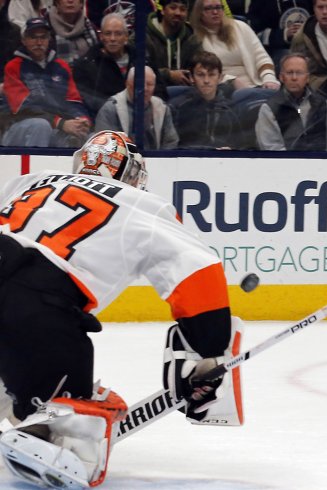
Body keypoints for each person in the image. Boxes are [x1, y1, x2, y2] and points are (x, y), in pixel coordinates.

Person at [0, 130, 243, 487]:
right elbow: (198, 269)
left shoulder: (29, 181)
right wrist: (209, 349)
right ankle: (57, 420)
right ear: (133, 174)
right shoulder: (139, 204)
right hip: (33, 309)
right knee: (77, 426)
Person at [2, 17, 92, 147]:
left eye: (43, 37)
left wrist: (82, 119)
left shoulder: (62, 66)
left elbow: (74, 101)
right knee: (41, 126)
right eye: (33, 37)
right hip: (18, 127)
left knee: (88, 138)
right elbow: (24, 108)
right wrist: (61, 123)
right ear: (24, 40)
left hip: (56, 126)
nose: (39, 42)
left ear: (49, 40)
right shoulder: (13, 67)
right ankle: (32, 168)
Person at [255, 53, 327, 150]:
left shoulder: (323, 105)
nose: (294, 78)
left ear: (307, 78)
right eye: (289, 73)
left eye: (299, 73)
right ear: (281, 77)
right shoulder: (269, 109)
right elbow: (272, 149)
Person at [190, 0, 280, 90]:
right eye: (208, 8)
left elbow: (261, 57)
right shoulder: (196, 39)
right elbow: (204, 74)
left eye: (218, 7)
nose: (215, 12)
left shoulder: (241, 27)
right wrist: (231, 81)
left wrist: (269, 78)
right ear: (199, 12)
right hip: (223, 88)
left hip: (257, 84)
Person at [170, 51, 243, 149]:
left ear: (220, 78)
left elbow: (241, 145)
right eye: (200, 75)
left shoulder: (232, 109)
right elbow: (171, 146)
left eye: (212, 74)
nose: (206, 81)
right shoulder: (177, 107)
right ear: (191, 77)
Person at [94, 66, 180, 149]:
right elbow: (103, 144)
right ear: (127, 84)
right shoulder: (111, 108)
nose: (145, 88)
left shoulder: (162, 108)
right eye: (139, 84)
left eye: (150, 84)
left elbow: (171, 142)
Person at [72, 12, 133, 116]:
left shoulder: (139, 59)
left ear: (126, 37)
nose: (112, 39)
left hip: (141, 112)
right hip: (108, 117)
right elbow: (90, 101)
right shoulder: (86, 64)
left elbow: (159, 89)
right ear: (101, 36)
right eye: (108, 33)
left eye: (118, 33)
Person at [145, 0, 201, 94]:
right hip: (151, 92)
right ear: (162, 10)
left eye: (182, 9)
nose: (178, 13)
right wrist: (169, 75)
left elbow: (200, 65)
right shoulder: (144, 36)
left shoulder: (191, 37)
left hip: (186, 93)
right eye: (173, 8)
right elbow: (138, 70)